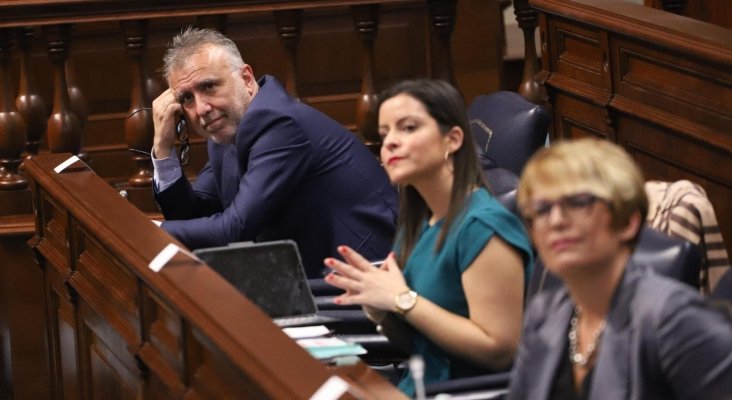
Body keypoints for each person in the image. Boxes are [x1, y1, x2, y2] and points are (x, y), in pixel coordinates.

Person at [323, 79, 533, 396]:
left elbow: (499, 350)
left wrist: (402, 300)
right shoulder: (421, 219)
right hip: (416, 385)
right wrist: (381, 308)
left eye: (407, 128)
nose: (390, 142)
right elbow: (420, 343)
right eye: (385, 133)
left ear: (453, 140)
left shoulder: (485, 227)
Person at [150, 27, 398, 278]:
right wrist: (163, 150)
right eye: (187, 99)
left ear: (246, 79)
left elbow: (234, 228)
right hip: (314, 275)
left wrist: (151, 231)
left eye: (210, 86)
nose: (201, 108)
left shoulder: (279, 124)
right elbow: (193, 216)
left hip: (368, 278)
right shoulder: (229, 128)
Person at [508, 138, 732, 399]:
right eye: (542, 208)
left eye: (578, 202)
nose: (556, 220)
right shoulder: (544, 314)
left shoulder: (673, 320)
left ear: (627, 222)